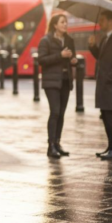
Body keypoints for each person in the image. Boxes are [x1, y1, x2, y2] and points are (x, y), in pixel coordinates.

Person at [88, 10, 112, 160]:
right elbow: (101, 58)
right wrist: (92, 47)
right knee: (105, 116)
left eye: (102, 20)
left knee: (111, 117)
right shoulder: (106, 38)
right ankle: (111, 147)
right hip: (105, 85)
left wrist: (109, 78)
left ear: (111, 21)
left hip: (111, 86)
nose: (100, 23)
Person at [37, 14, 77, 159]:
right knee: (54, 112)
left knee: (61, 113)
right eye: (62, 22)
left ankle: (58, 143)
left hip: (65, 81)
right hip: (51, 82)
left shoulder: (69, 40)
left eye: (66, 22)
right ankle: (51, 146)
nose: (65, 24)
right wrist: (60, 55)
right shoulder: (46, 40)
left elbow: (73, 57)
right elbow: (41, 60)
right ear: (55, 25)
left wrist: (73, 60)